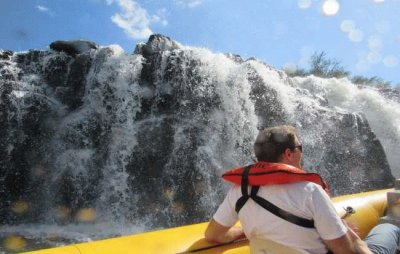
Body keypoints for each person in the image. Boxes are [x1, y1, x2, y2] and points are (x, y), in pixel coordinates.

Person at [205, 125, 400, 254]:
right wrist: (350, 236)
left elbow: (213, 235)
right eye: (300, 147)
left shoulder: (239, 192)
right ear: (289, 153)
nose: (302, 151)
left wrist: (243, 231)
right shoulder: (311, 191)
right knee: (388, 228)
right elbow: (345, 251)